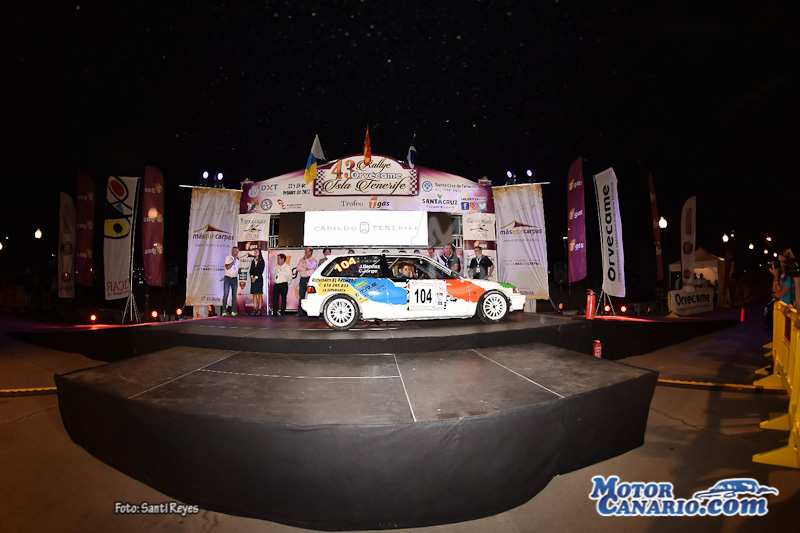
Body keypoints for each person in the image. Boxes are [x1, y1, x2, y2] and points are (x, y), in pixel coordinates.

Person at [296, 247, 318, 316]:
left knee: (310, 296)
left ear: (310, 252)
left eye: (306, 251)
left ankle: (311, 311)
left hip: (309, 279)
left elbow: (310, 267)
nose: (305, 253)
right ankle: (300, 311)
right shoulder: (301, 260)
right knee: (301, 295)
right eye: (305, 251)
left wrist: (306, 261)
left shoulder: (314, 260)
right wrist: (305, 268)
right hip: (302, 279)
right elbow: (298, 268)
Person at [221, 246, 240, 316]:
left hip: (234, 278)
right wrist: (233, 261)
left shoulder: (238, 260)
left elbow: (239, 269)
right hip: (228, 278)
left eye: (237, 252)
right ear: (232, 251)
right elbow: (227, 267)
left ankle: (233, 311)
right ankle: (224, 311)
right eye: (235, 251)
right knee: (226, 294)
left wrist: (239, 270)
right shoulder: (228, 258)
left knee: (234, 295)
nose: (236, 253)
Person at [249, 251, 265, 315]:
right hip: (253, 280)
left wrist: (255, 277)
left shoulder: (261, 261)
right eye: (255, 251)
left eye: (256, 251)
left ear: (259, 253)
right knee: (254, 294)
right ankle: (255, 309)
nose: (255, 252)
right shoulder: (253, 261)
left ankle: (259, 309)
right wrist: (252, 276)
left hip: (259, 279)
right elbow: (251, 270)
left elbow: (261, 270)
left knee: (259, 294)